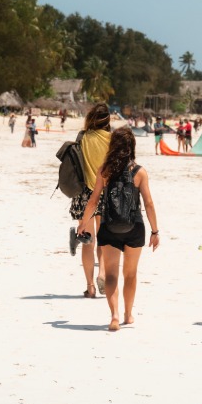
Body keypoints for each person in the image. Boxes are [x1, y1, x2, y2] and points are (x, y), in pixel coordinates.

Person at [77, 127, 159, 331]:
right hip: (134, 227)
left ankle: (114, 316)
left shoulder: (104, 170)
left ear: (112, 146)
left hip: (109, 226)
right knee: (130, 274)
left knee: (111, 274)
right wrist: (155, 231)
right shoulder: (139, 172)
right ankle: (128, 314)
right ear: (132, 146)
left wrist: (83, 223)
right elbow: (148, 203)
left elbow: (93, 200)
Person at [68, 104, 113, 298]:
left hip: (85, 193)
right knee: (104, 239)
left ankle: (90, 287)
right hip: (107, 192)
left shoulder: (82, 137)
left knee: (88, 241)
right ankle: (102, 273)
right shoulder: (112, 140)